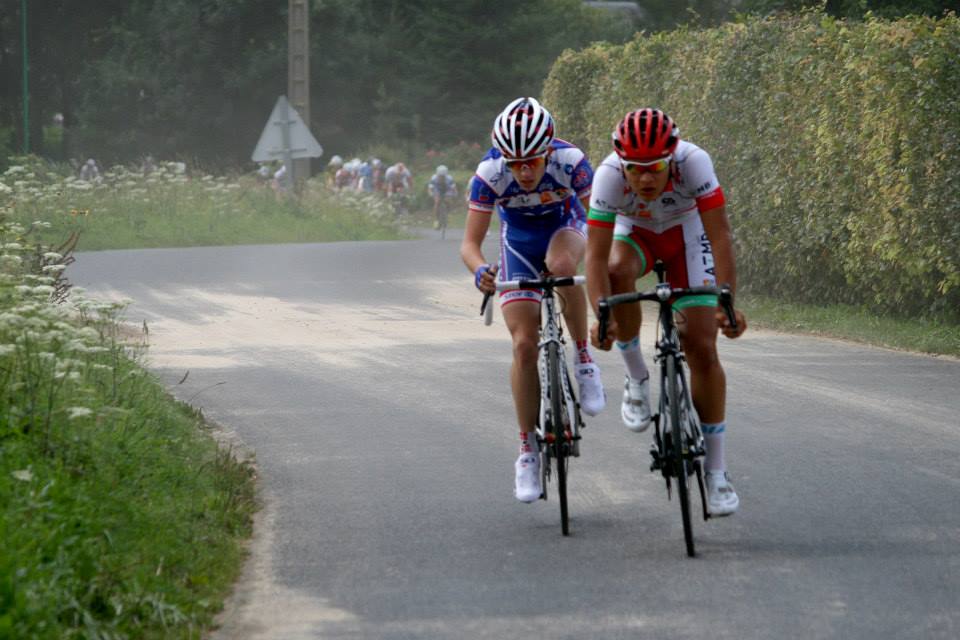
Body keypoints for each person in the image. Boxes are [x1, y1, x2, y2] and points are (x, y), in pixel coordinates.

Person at [584, 107, 747, 516]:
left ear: (671, 159)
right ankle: (636, 376)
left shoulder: (694, 162)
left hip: (687, 236)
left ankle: (716, 470)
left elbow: (720, 235)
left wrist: (726, 300)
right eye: (635, 169)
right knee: (617, 271)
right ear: (622, 164)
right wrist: (602, 317)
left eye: (655, 168)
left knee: (702, 347)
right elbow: (595, 256)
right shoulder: (607, 175)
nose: (645, 179)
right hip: (635, 235)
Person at [461, 97, 606, 503]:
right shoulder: (489, 173)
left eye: (533, 162)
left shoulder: (571, 161)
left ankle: (583, 358)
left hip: (566, 225)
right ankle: (527, 449)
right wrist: (480, 271)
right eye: (516, 164)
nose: (524, 172)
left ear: (548, 152)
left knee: (561, 265)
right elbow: (470, 244)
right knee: (524, 345)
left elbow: (601, 221)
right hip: (519, 242)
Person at [427, 165, 457, 229]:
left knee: (448, 200)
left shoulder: (449, 178)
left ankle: (448, 214)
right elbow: (430, 188)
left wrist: (455, 193)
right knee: (437, 202)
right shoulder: (433, 178)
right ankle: (436, 220)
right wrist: (430, 193)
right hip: (437, 190)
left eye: (443, 176)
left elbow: (453, 188)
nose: (441, 177)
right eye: (440, 176)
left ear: (446, 175)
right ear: (437, 174)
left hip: (447, 189)